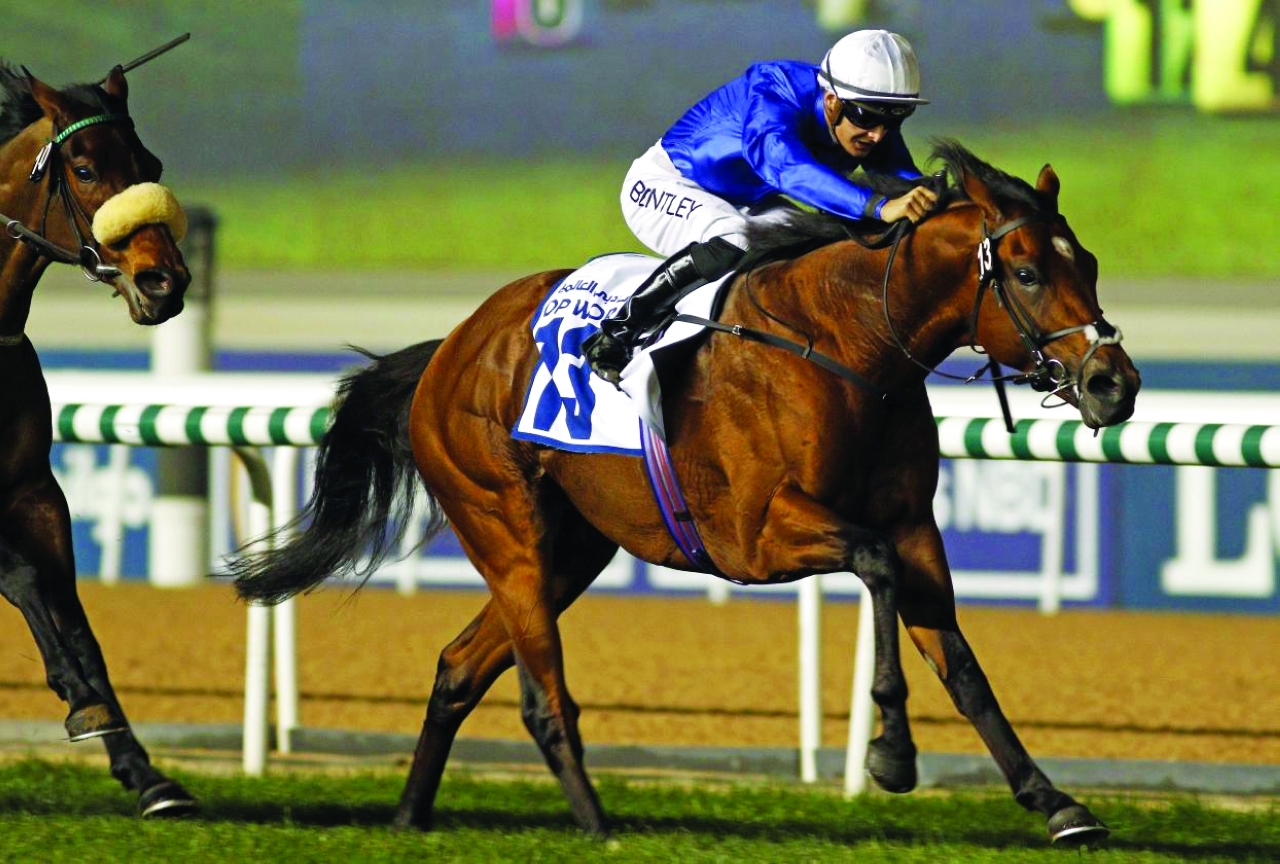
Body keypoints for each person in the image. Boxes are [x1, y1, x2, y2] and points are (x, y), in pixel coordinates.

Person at [583, 29, 938, 384]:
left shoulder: (866, 119)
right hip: (667, 182)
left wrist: (940, 199)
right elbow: (784, 166)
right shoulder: (774, 89)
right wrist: (877, 206)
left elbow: (903, 181)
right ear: (832, 100)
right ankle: (617, 335)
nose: (878, 134)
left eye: (894, 120)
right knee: (736, 239)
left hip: (745, 199)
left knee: (811, 246)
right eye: (867, 117)